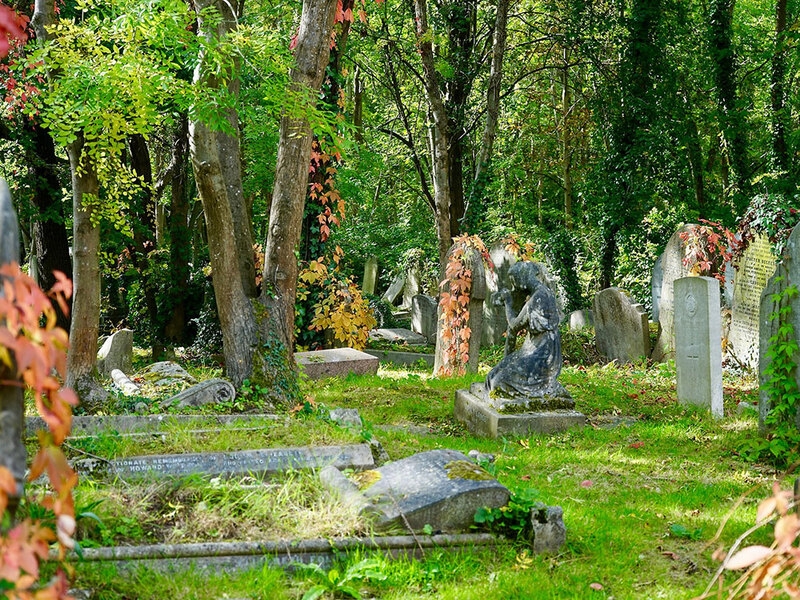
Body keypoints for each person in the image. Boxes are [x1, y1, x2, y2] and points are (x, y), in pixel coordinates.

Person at [485, 261, 564, 398]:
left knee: (498, 381)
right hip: (530, 348)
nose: (514, 285)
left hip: (543, 353)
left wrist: (508, 302)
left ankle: (548, 390)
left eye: (514, 280)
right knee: (492, 376)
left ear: (523, 277)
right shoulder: (536, 295)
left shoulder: (539, 297)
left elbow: (515, 325)